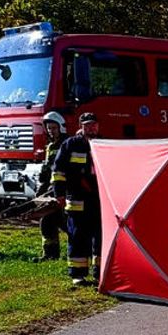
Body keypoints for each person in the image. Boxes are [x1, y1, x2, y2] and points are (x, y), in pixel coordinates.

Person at [52, 112, 102, 286]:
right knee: (78, 235)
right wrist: (58, 193)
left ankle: (100, 273)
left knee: (100, 236)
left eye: (94, 124)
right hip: (77, 198)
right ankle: (78, 274)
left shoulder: (104, 144)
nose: (91, 128)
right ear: (81, 127)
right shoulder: (70, 145)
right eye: (87, 125)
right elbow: (58, 172)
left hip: (99, 199)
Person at [34, 112, 66, 262]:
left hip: (64, 191)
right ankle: (50, 254)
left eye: (54, 128)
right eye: (48, 128)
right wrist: (41, 188)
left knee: (67, 223)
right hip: (50, 190)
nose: (51, 131)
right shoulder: (50, 146)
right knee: (47, 220)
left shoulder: (67, 145)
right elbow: (47, 169)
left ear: (61, 128)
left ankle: (81, 252)